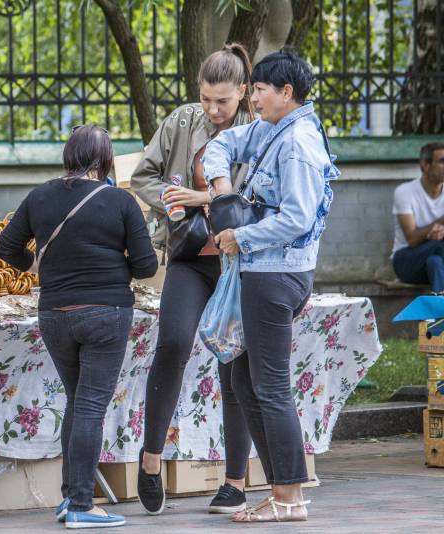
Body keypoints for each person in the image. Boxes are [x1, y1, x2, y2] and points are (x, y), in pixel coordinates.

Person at [0, 125, 157, 529]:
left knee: (77, 401)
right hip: (106, 314)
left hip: (54, 314)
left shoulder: (39, 196)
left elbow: (5, 247)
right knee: (89, 406)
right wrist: (113, 265)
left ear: (69, 155)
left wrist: (36, 266)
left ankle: (71, 498)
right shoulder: (120, 201)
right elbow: (146, 266)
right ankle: (83, 505)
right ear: (105, 160)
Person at [202, 47, 339, 523]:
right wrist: (223, 192)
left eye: (259, 89)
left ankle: (289, 496)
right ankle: (282, 489)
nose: (253, 98)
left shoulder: (298, 142)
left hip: (276, 274)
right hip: (261, 272)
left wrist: (240, 235)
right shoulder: (271, 128)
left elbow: (298, 218)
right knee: (244, 379)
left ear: (286, 91)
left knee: (270, 386)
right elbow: (221, 145)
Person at [131, 43, 256, 516]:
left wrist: (203, 198)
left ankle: (234, 482)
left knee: (233, 361)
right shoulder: (182, 121)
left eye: (222, 100)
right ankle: (150, 461)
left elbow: (256, 198)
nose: (212, 109)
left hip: (237, 262)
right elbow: (143, 176)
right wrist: (172, 197)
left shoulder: (258, 132)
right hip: (189, 256)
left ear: (243, 91)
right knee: (173, 343)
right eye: (205, 98)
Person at [391, 142, 444, 292]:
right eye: (442, 161)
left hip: (435, 261)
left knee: (435, 262)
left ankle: (438, 306)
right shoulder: (405, 192)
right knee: (440, 245)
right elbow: (412, 239)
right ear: (425, 165)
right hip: (406, 260)